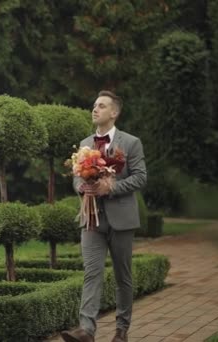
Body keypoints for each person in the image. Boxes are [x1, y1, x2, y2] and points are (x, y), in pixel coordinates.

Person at [61, 90, 147, 342]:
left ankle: (121, 330)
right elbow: (78, 176)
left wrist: (112, 187)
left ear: (114, 112)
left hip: (121, 219)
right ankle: (86, 330)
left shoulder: (131, 143)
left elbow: (140, 177)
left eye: (101, 106)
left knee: (123, 276)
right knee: (91, 272)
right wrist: (81, 186)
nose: (95, 109)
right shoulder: (85, 143)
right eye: (94, 105)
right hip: (91, 218)